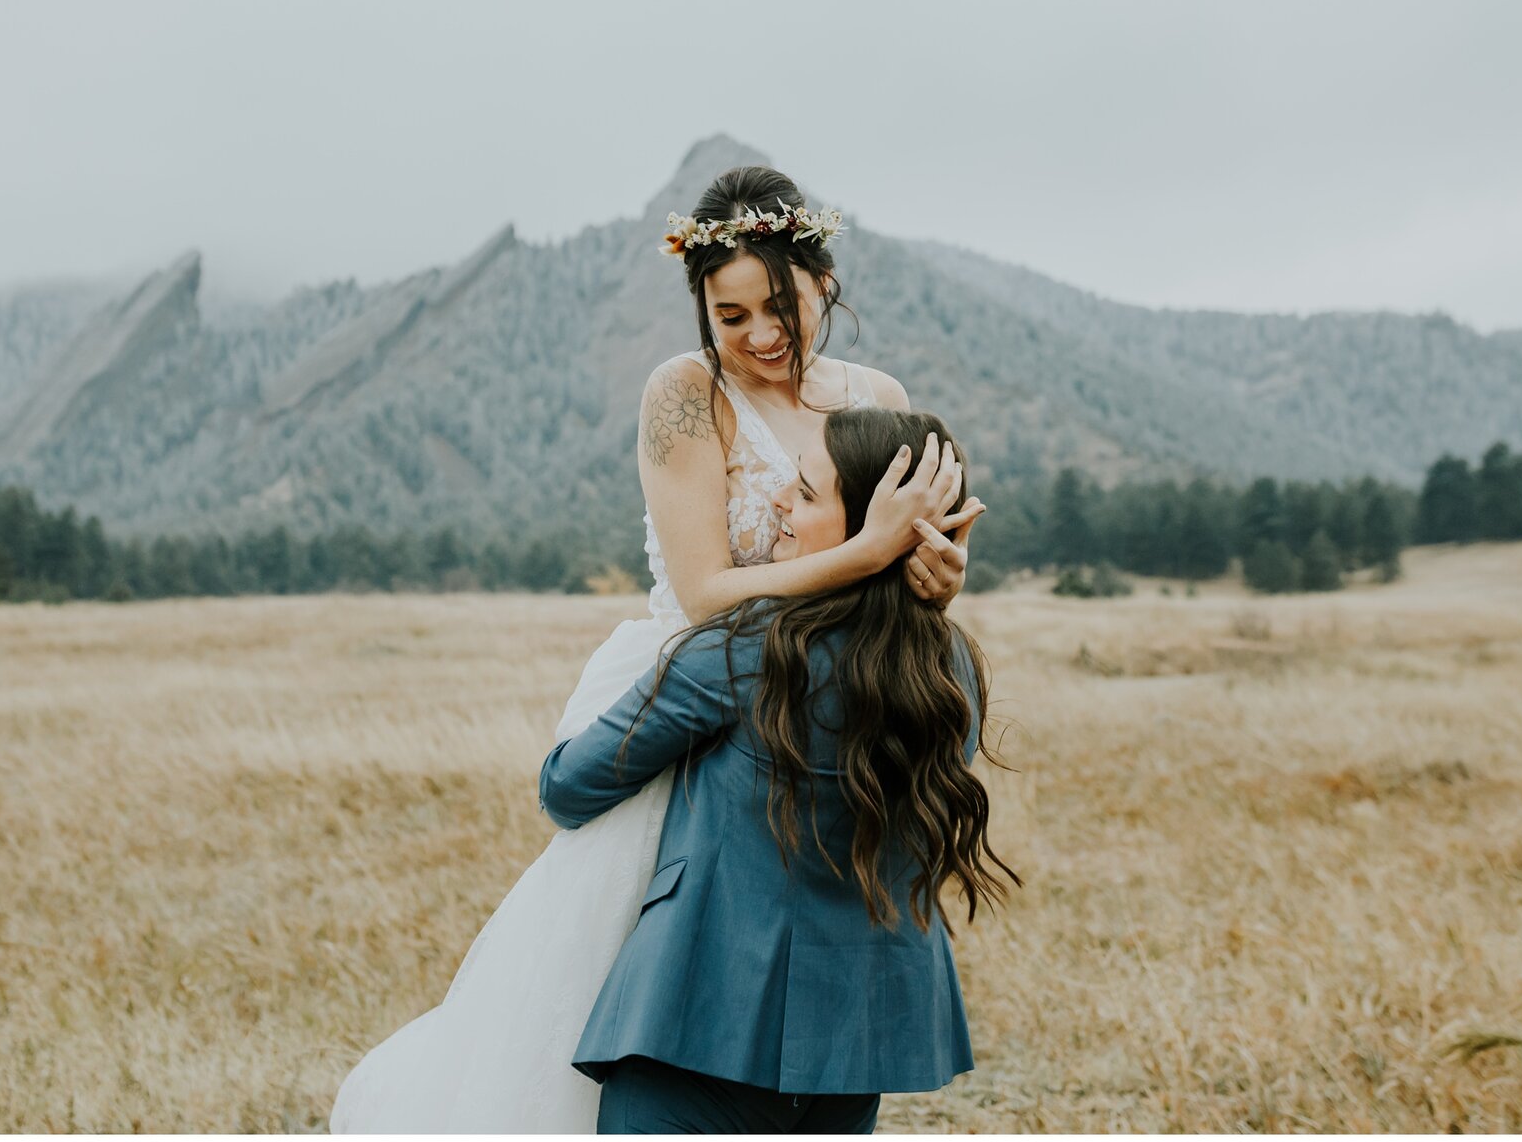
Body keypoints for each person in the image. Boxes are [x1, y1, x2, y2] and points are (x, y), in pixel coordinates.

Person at [327, 166, 984, 1133]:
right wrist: (864, 554)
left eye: (782, 307)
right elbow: (707, 592)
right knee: (649, 959)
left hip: (841, 686)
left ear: (825, 284)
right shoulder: (685, 394)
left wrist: (933, 573)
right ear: (701, 313)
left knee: (820, 904)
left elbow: (918, 548)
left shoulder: (877, 395)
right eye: (729, 316)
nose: (760, 335)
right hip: (708, 682)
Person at [542, 406, 1017, 1133]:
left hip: (696, 1021)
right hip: (855, 1039)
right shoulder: (951, 672)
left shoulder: (742, 650)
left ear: (868, 530)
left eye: (806, 491)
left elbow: (569, 786)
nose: (779, 501)